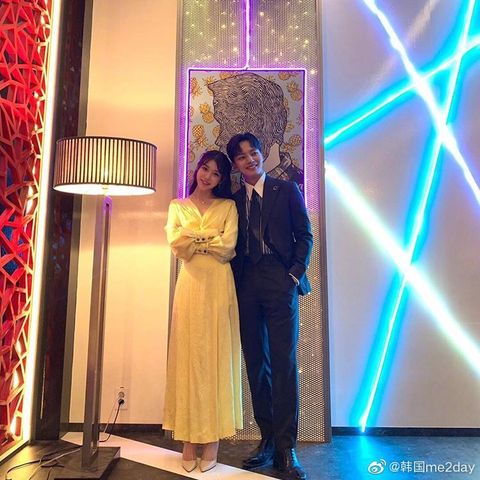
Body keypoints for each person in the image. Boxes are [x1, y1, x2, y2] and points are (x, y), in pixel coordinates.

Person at [227, 133, 313, 480]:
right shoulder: (233, 200)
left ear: (262, 154)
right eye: (242, 156)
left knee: (284, 363)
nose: (250, 159)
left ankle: (286, 446)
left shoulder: (286, 189)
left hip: (280, 281)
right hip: (247, 284)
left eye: (254, 152)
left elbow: (304, 235)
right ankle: (266, 438)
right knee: (256, 363)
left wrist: (294, 274)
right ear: (235, 165)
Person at [163, 150, 242, 473]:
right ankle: (187, 439)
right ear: (197, 169)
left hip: (218, 285)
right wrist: (210, 238)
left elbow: (228, 247)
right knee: (187, 356)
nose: (207, 176)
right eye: (205, 169)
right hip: (190, 285)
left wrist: (194, 240)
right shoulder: (177, 206)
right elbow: (176, 245)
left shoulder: (228, 206)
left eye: (216, 173)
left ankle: (211, 441)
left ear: (222, 179)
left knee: (215, 357)